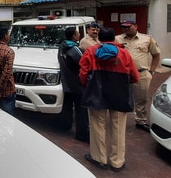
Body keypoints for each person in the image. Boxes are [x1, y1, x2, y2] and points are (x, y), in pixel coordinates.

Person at [79, 27, 140, 172]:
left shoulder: (91, 51)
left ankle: (99, 159)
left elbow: (82, 73)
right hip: (119, 94)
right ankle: (117, 162)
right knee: (118, 127)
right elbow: (135, 76)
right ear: (114, 39)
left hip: (96, 94)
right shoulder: (124, 53)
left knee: (97, 126)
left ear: (99, 38)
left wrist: (86, 85)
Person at [115, 19, 161, 132]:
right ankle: (119, 121)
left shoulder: (147, 39)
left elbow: (156, 55)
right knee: (121, 97)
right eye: (123, 27)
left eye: (128, 27)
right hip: (122, 74)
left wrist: (151, 71)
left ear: (136, 26)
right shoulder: (117, 39)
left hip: (141, 73)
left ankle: (141, 120)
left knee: (141, 98)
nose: (125, 29)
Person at [57, 26, 89, 142]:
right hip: (77, 84)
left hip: (66, 83)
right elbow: (84, 63)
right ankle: (82, 134)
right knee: (81, 110)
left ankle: (65, 126)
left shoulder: (61, 47)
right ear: (73, 36)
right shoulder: (74, 49)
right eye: (77, 33)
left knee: (67, 107)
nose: (79, 35)